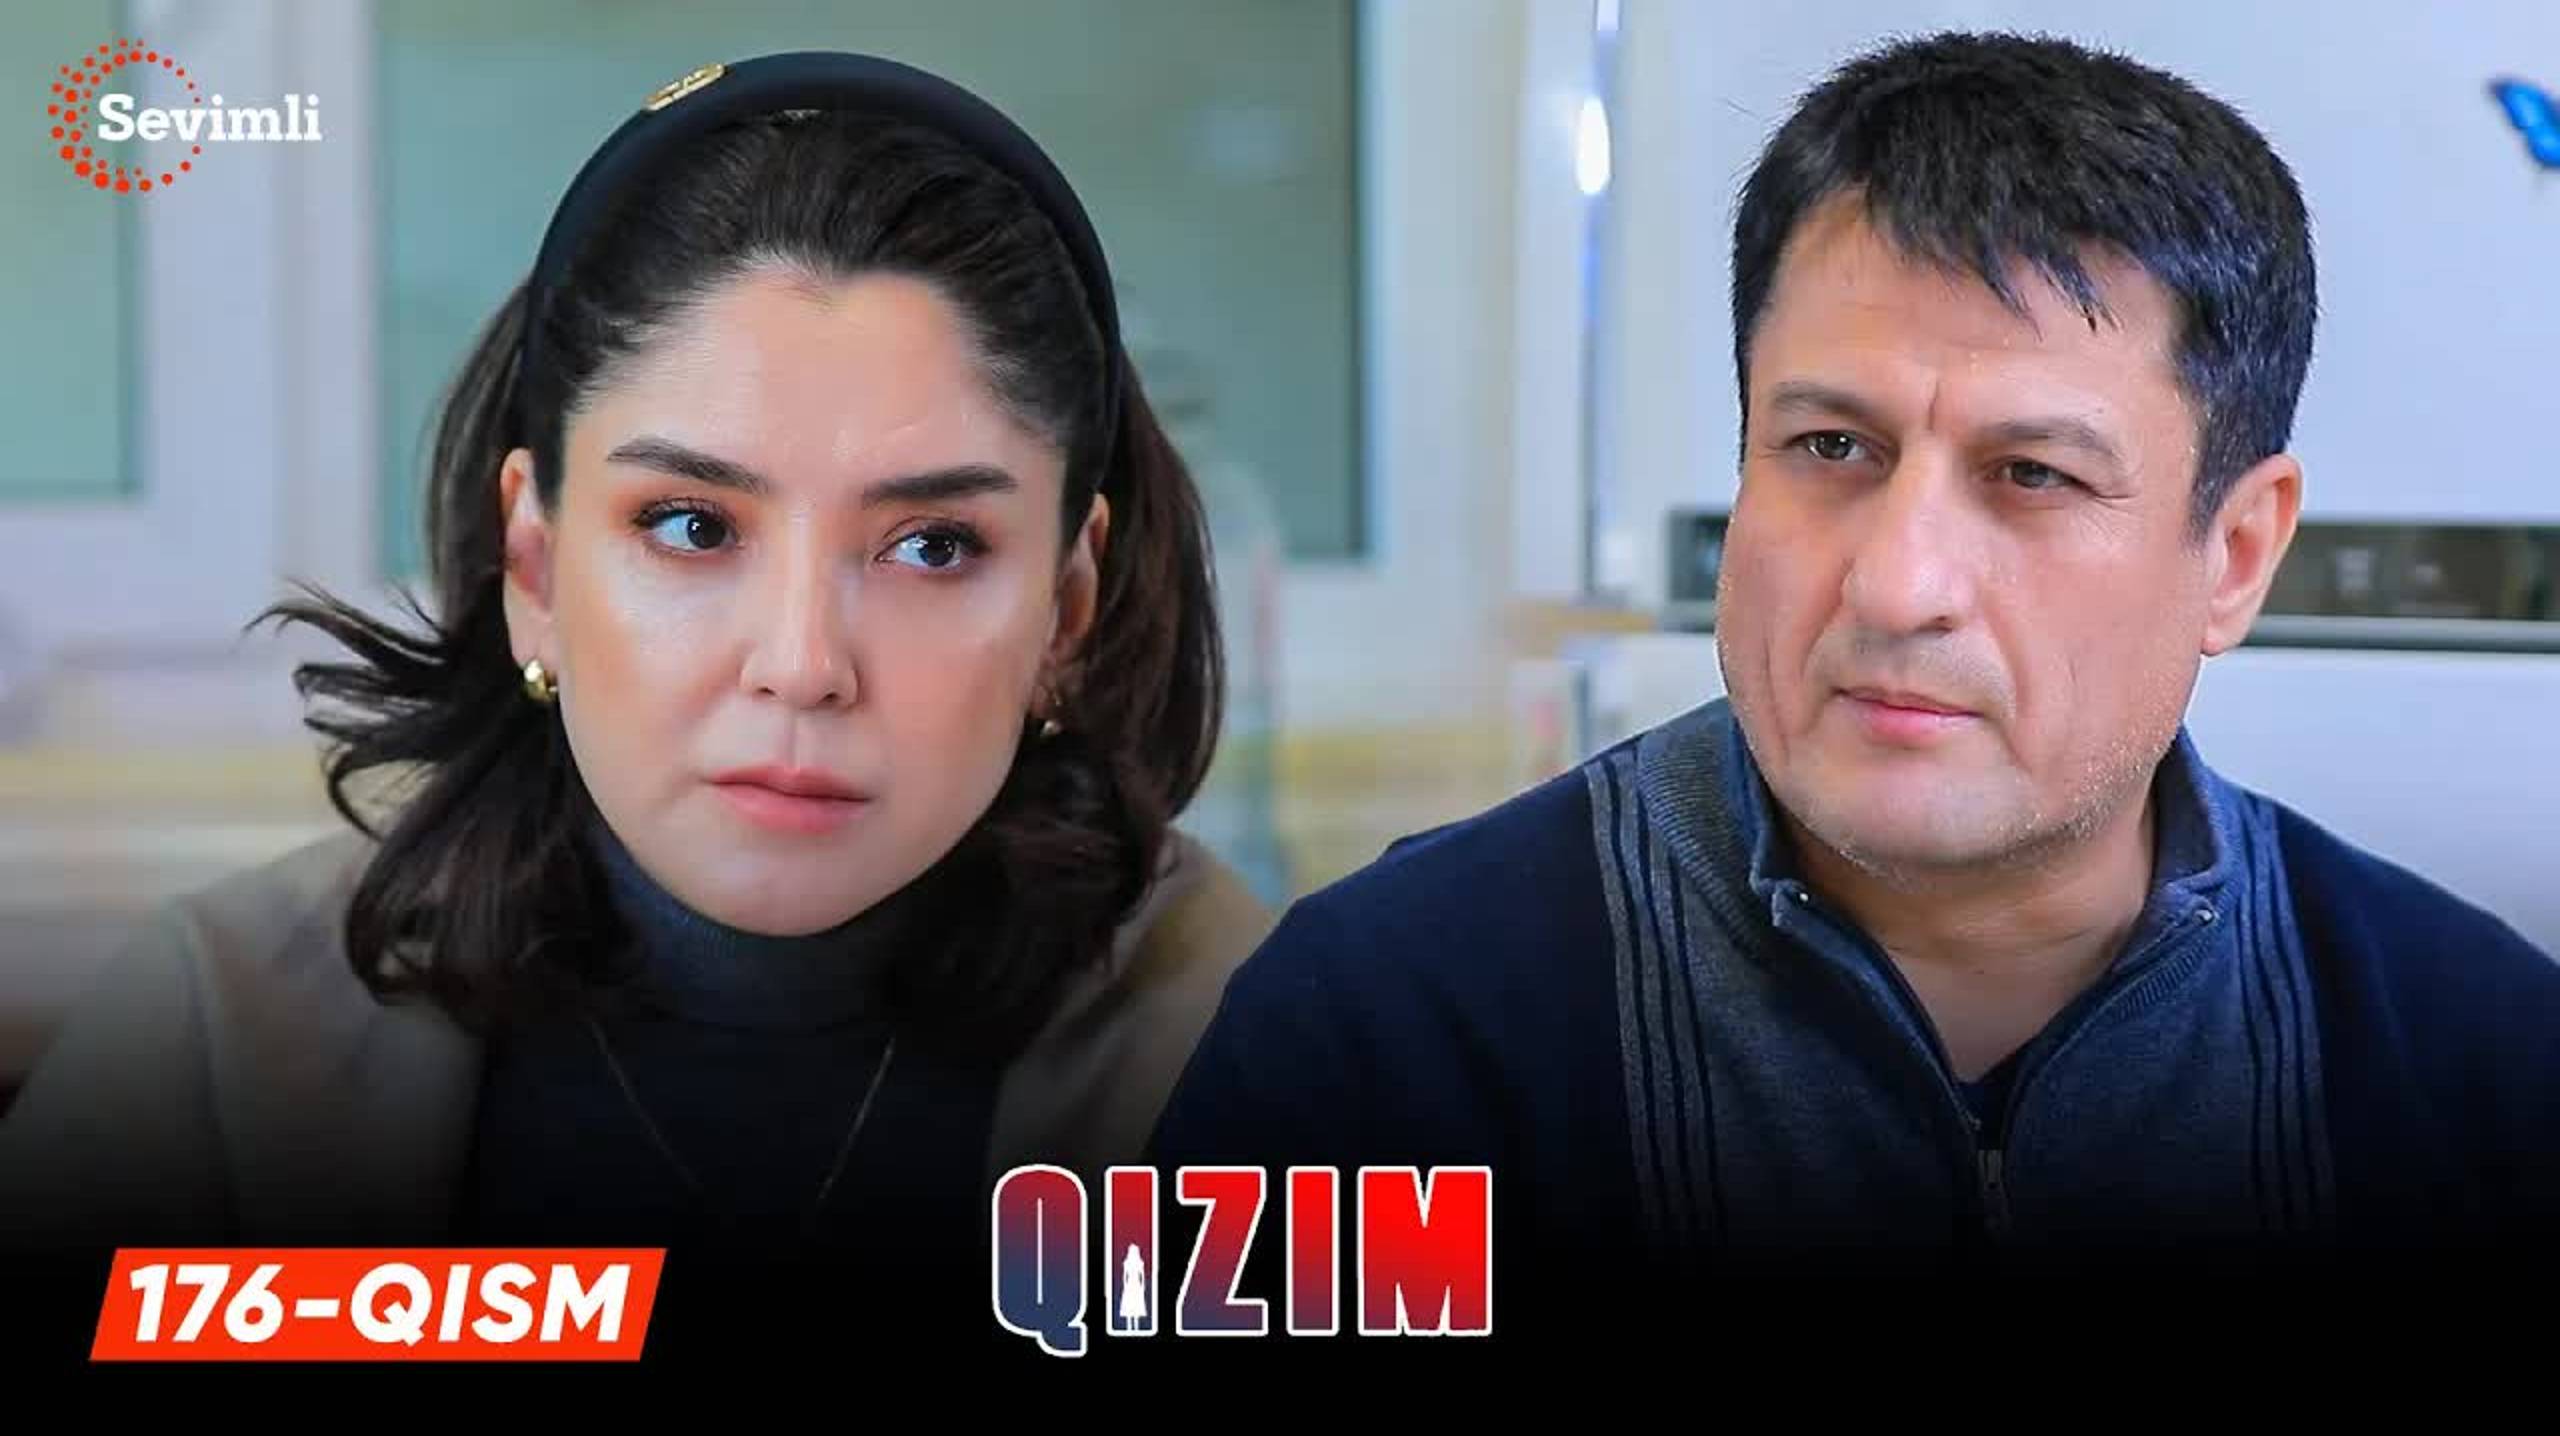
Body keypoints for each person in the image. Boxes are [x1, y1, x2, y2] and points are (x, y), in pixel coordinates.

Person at [1147, 31, 2560, 1338]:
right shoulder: (1390, 1032)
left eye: (2032, 476)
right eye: (1830, 448)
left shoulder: (2473, 1067)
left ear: (2236, 555)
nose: (1895, 585)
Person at [0, 51, 1271, 1349]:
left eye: (933, 546)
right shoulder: (211, 1051)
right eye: (690, 526)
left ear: (1067, 609)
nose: (802, 663)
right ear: (535, 569)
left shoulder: (1273, 1057)